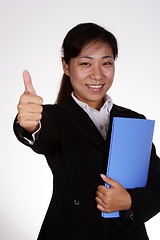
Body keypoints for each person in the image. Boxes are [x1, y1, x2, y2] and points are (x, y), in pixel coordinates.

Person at [13, 22, 160, 240]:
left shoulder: (134, 120)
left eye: (106, 63)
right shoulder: (55, 117)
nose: (97, 75)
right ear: (66, 66)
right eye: (85, 64)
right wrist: (29, 124)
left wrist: (129, 201)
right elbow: (43, 133)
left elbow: (157, 185)